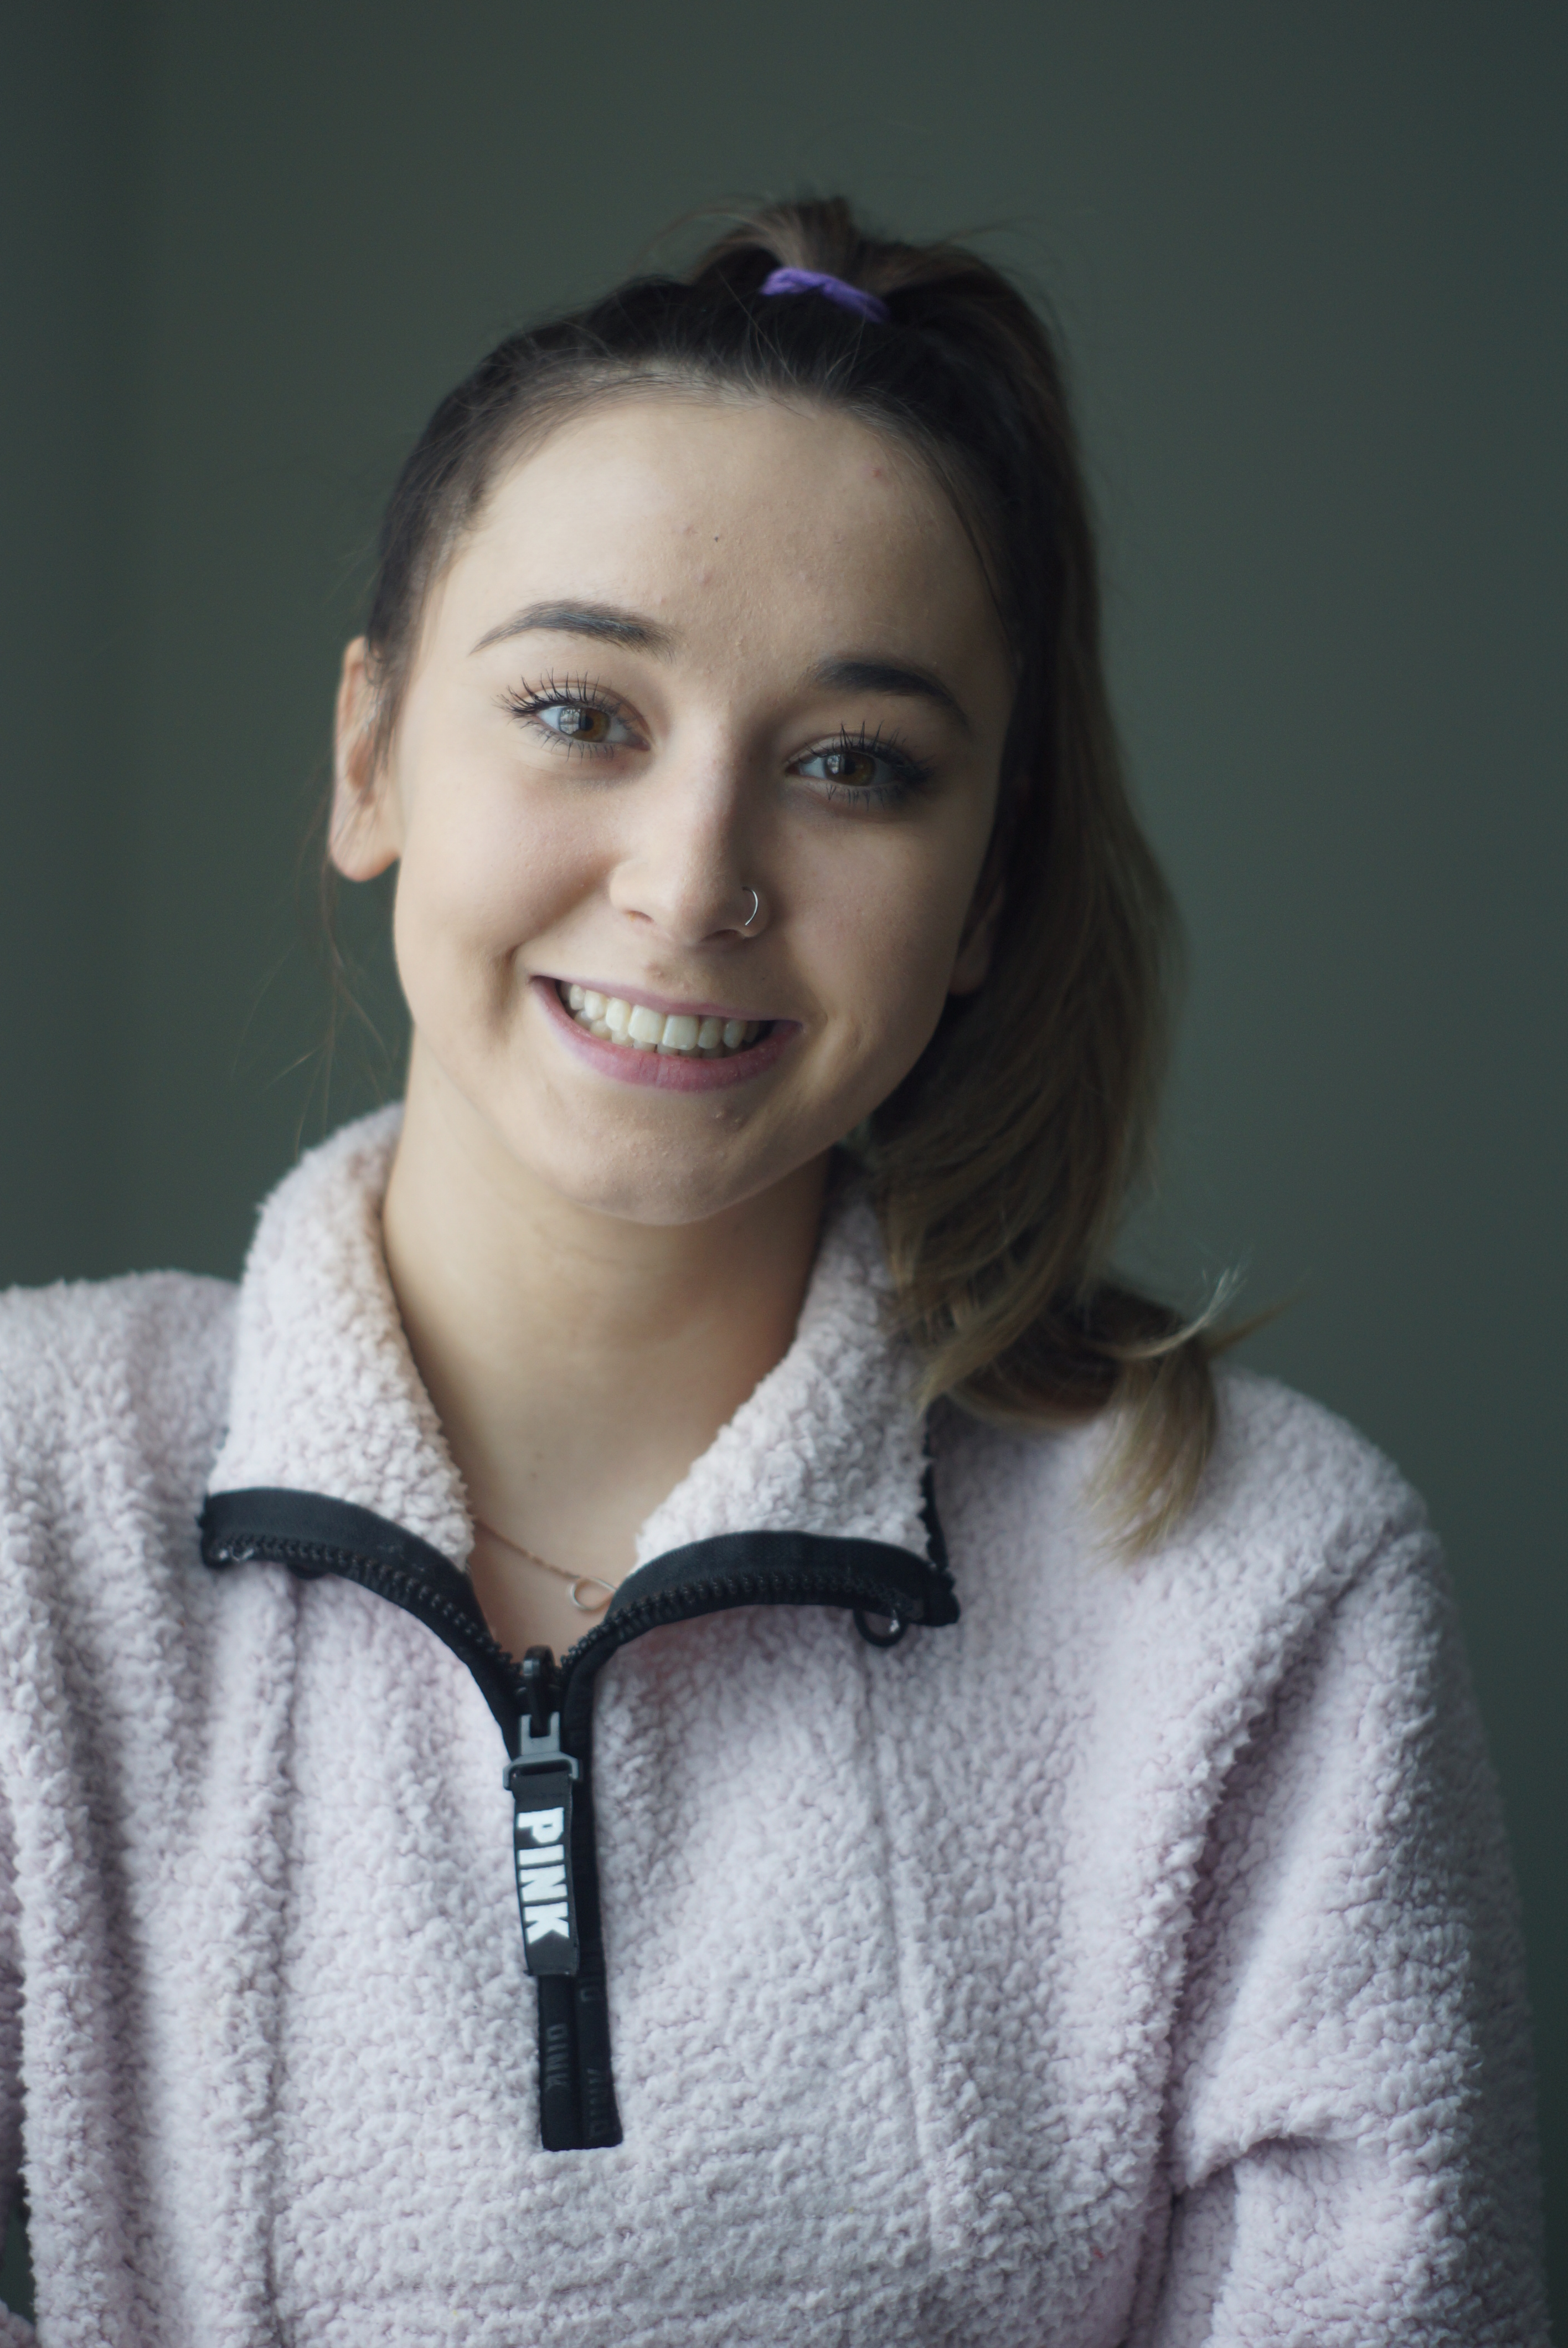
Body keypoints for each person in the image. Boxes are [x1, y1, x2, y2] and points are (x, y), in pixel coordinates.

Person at [0, 197, 1545, 2345]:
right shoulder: (30, 1498)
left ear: (984, 891)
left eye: (853, 768)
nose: (693, 878)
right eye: (581, 711)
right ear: (369, 754)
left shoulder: (1266, 1585)